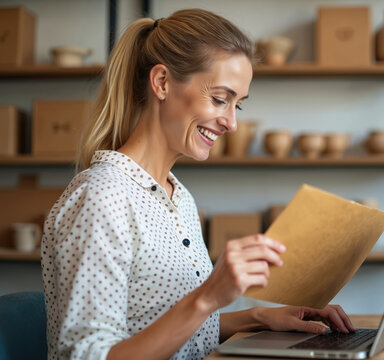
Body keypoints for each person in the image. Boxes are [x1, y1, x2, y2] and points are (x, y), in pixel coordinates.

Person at [41, 8, 355, 360]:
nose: (232, 123)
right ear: (161, 82)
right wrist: (207, 296)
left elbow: (159, 325)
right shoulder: (101, 198)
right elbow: (85, 356)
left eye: (239, 105)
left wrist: (258, 317)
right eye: (220, 99)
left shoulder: (179, 197)